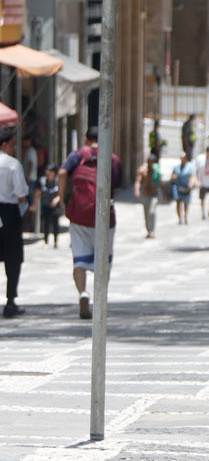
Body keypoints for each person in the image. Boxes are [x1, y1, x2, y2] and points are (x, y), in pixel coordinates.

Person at [57, 127, 122, 320]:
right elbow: (115, 185)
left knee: (80, 258)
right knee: (104, 259)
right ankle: (101, 298)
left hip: (79, 215)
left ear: (86, 139)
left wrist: (63, 200)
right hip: (104, 216)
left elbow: (61, 173)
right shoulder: (113, 158)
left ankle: (82, 292)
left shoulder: (78, 155)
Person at [0, 127, 29, 318]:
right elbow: (21, 194)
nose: (14, 148)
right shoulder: (12, 165)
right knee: (13, 258)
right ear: (4, 144)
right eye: (12, 144)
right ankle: (10, 301)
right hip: (8, 213)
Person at [133, 153, 161, 239]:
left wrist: (164, 193)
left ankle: (152, 230)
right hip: (145, 195)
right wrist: (137, 190)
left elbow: (160, 183)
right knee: (146, 213)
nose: (151, 163)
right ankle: (148, 230)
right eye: (150, 161)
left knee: (152, 212)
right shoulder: (142, 170)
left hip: (154, 195)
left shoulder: (156, 171)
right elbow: (138, 181)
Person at [39, 164, 62, 247]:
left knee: (55, 224)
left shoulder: (58, 181)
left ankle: (55, 241)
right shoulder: (42, 181)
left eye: (50, 171)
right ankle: (45, 241)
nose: (48, 173)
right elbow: (37, 191)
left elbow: (61, 192)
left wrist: (57, 200)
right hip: (45, 205)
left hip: (55, 206)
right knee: (45, 223)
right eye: (47, 171)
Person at [170, 153, 196, 225]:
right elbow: (172, 176)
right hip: (178, 186)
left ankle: (185, 217)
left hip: (186, 187)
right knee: (178, 202)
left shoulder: (190, 167)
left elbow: (192, 176)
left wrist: (191, 184)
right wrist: (173, 177)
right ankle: (179, 219)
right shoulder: (176, 167)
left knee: (186, 203)